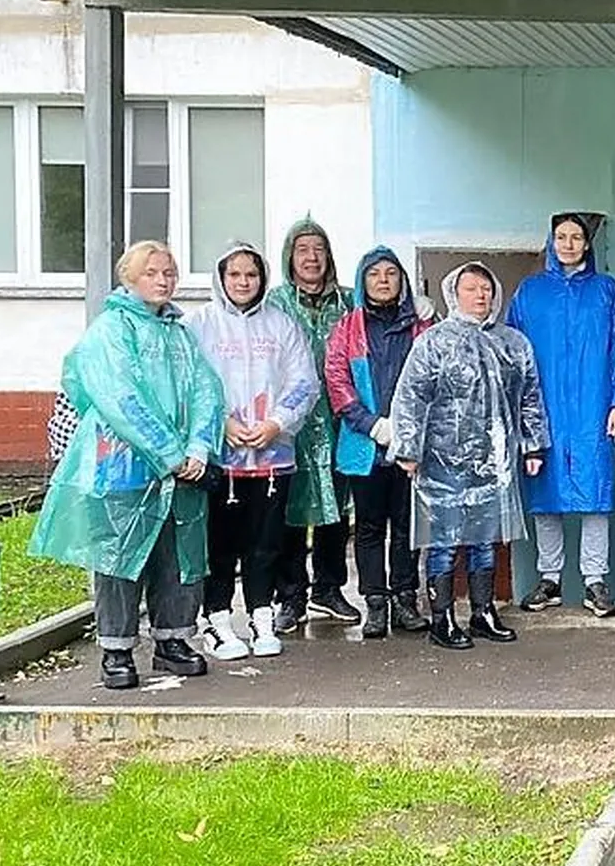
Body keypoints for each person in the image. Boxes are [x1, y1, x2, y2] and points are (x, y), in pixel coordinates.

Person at [30, 240, 223, 690]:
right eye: (153, 272)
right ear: (129, 278)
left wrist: (198, 447)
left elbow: (206, 391)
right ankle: (116, 649)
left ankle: (172, 640)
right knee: (119, 559)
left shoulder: (180, 334)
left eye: (170, 272)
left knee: (176, 555)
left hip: (182, 471)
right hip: (123, 467)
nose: (163, 280)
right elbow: (120, 398)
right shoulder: (111, 330)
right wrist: (170, 454)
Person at [391, 262, 548, 649]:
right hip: (441, 460)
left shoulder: (513, 343)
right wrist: (408, 449)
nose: (481, 296)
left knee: (486, 538)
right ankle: (441, 618)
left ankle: (483, 612)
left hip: (495, 460)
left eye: (486, 288)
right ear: (454, 293)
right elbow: (411, 396)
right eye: (471, 288)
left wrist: (534, 444)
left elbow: (529, 397)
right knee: (442, 540)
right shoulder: (432, 342)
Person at [187, 242, 319, 661]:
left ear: (263, 279)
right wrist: (220, 423)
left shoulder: (282, 325)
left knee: (265, 544)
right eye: (235, 275)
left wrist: (276, 423)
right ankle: (218, 618)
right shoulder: (199, 325)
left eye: (252, 275)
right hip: (219, 458)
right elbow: (189, 384)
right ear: (221, 278)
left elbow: (304, 381)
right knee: (220, 546)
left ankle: (262, 613)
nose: (244, 282)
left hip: (272, 457)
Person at [508, 212, 615, 618]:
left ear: (586, 243)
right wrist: (519, 409)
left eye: (575, 237)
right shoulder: (529, 294)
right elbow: (513, 353)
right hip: (542, 409)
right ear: (551, 241)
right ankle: (549, 579)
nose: (567, 244)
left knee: (595, 494)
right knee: (546, 495)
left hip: (592, 408)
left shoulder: (607, 292)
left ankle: (595, 580)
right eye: (560, 236)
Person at [326, 246, 436, 639]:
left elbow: (434, 381)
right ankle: (375, 602)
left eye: (391, 273)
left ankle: (405, 599)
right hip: (366, 445)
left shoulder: (421, 327)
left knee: (408, 526)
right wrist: (371, 425)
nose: (384, 280)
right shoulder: (348, 327)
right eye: (375, 274)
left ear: (403, 280)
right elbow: (337, 381)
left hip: (411, 447)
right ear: (363, 281)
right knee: (370, 528)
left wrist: (409, 429)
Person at [267, 217, 359, 634]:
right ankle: (290, 595)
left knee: (335, 509)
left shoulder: (349, 302)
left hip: (340, 417)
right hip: (289, 423)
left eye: (318, 249)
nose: (311, 257)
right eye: (302, 249)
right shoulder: (274, 304)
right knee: (289, 509)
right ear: (290, 256)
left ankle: (329, 587)